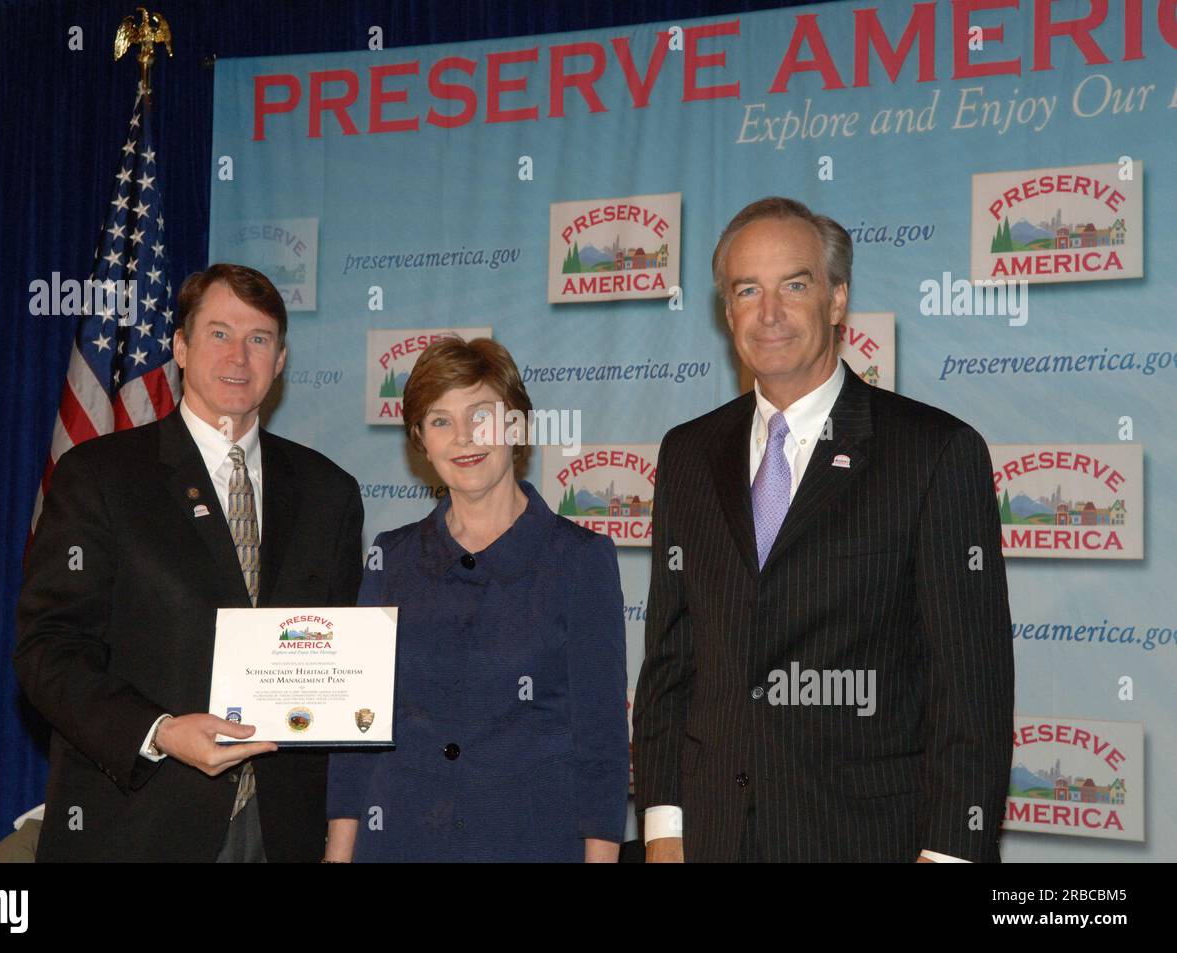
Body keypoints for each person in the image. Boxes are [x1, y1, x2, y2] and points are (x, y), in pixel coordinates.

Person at [632, 197, 1014, 863]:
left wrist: (950, 855)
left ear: (837, 301)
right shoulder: (688, 455)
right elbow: (670, 665)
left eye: (795, 285)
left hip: (868, 840)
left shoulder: (932, 452)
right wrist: (664, 830)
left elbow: (971, 686)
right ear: (728, 311)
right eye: (748, 289)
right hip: (713, 840)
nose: (769, 312)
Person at [15, 263, 363, 862]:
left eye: (259, 339)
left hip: (285, 831)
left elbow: (344, 657)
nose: (239, 356)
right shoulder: (99, 477)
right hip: (140, 825)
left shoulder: (329, 492)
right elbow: (48, 650)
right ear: (180, 346)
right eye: (219, 333)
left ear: (280, 361)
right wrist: (159, 732)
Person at [325, 337, 628, 862]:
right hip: (400, 843)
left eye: (481, 416)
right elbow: (358, 734)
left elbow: (600, 745)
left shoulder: (580, 560)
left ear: (518, 426)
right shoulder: (389, 559)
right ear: (420, 439)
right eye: (440, 421)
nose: (464, 438)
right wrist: (337, 854)